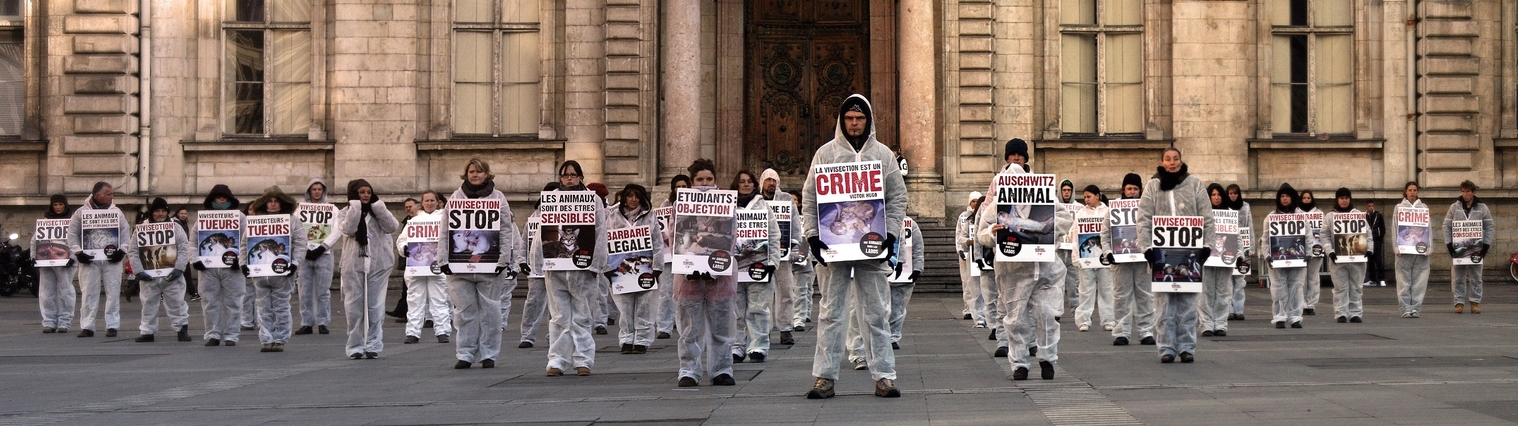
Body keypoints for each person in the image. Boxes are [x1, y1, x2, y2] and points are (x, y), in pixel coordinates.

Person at [803, 94, 908, 398]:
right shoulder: (825, 154)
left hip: (871, 247)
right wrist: (812, 235)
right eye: (849, 118)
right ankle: (824, 377)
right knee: (831, 312)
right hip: (834, 248)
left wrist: (889, 235)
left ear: (868, 120)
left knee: (876, 311)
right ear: (841, 120)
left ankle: (884, 375)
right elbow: (810, 198)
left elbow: (897, 197)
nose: (854, 123)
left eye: (860, 119)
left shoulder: (884, 156)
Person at [976, 138, 1067, 378]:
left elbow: (1064, 218)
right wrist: (991, 234)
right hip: (1012, 269)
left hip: (1045, 267)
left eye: (1020, 156)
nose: (1016, 160)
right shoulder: (998, 203)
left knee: (1047, 314)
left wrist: (1052, 236)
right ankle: (1019, 363)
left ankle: (1047, 357)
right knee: (1015, 317)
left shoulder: (1043, 194)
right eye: (1012, 156)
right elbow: (981, 231)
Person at [1135, 148, 1212, 364]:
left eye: (1176, 159)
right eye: (1168, 159)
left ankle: (1187, 347)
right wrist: (1147, 248)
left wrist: (1207, 246)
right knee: (1164, 305)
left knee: (1188, 304)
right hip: (1162, 257)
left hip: (1189, 255)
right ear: (1161, 162)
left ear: (1181, 161)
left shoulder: (1194, 184)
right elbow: (1143, 218)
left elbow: (1207, 216)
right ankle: (1166, 347)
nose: (1172, 163)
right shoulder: (1152, 186)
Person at [440, 159, 518, 369]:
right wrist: (443, 260)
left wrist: (504, 260)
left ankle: (489, 354)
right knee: (464, 311)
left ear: (487, 174)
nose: (475, 175)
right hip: (459, 266)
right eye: (472, 171)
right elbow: (444, 231)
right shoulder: (455, 198)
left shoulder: (498, 197)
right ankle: (465, 353)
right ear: (466, 174)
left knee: (490, 312)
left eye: (479, 171)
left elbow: (506, 230)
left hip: (490, 266)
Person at [672, 159, 739, 387]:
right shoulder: (679, 207)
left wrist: (718, 263)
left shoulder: (727, 205)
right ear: (692, 182)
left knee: (721, 322)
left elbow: (733, 236)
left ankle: (722, 369)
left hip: (719, 270)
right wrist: (686, 262)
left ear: (715, 181)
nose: (705, 183)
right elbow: (674, 237)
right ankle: (689, 370)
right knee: (689, 324)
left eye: (709, 179)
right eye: (700, 179)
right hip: (689, 273)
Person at [544, 160, 608, 376]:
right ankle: (557, 360)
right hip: (557, 267)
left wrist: (596, 263)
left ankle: (583, 360)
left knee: (582, 315)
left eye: (573, 174)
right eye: (565, 175)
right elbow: (542, 233)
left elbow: (600, 231)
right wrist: (540, 261)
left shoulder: (594, 201)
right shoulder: (551, 199)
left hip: (583, 266)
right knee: (559, 316)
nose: (569, 178)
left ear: (580, 177)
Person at [338, 179, 400, 359]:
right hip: (354, 264)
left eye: (368, 192)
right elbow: (348, 229)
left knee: (375, 306)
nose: (365, 195)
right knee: (354, 307)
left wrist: (379, 208)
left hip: (379, 264)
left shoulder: (380, 211)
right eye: (361, 192)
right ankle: (355, 346)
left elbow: (392, 226)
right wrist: (355, 208)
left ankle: (373, 343)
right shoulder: (345, 213)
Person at [245, 187, 308, 352]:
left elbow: (301, 244)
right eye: (269, 201)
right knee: (263, 307)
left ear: (282, 203)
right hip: (260, 272)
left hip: (282, 272)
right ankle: (266, 339)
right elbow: (245, 244)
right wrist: (243, 264)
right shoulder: (255, 220)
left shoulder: (293, 221)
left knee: (281, 306)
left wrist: (294, 263)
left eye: (276, 201)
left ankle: (280, 338)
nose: (272, 204)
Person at [605, 183, 664, 355]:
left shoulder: (650, 216)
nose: (633, 199)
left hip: (646, 267)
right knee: (625, 307)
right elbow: (604, 242)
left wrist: (658, 267)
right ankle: (626, 339)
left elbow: (658, 243)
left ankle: (642, 340)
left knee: (644, 306)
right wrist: (606, 268)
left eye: (637, 196)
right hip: (619, 269)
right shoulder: (612, 216)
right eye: (630, 195)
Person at [731, 170, 782, 364]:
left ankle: (758, 346)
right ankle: (736, 346)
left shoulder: (763, 207)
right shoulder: (727, 206)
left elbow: (774, 236)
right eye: (742, 181)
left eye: (749, 181)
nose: (745, 185)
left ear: (754, 184)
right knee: (735, 309)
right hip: (734, 267)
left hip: (759, 266)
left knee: (759, 308)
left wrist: (773, 263)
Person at [68, 182, 131, 338]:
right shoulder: (80, 213)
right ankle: (87, 326)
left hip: (111, 259)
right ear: (98, 196)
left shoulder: (117, 212)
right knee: (89, 292)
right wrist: (78, 252)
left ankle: (112, 325)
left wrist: (122, 251)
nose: (112, 197)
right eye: (109, 194)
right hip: (90, 260)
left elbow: (125, 233)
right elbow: (72, 234)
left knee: (113, 292)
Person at [126, 198, 192, 343]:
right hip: (149, 274)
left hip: (171, 274)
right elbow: (133, 251)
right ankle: (147, 331)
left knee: (177, 302)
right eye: (157, 211)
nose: (160, 214)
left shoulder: (176, 227)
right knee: (148, 303)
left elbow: (183, 248)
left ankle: (181, 329)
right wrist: (138, 271)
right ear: (152, 212)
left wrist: (179, 268)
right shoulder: (141, 229)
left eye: (163, 211)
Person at [191, 184, 246, 345]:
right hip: (208, 267)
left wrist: (240, 260)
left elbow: (247, 240)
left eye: (225, 197)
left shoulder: (240, 218)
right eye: (218, 197)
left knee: (234, 301)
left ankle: (231, 335)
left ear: (230, 199)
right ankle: (213, 334)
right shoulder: (203, 218)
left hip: (232, 267)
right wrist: (195, 260)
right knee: (209, 301)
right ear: (212, 199)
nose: (221, 199)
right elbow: (193, 242)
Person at [1106, 173, 1156, 347]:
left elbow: (1153, 230)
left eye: (1135, 189)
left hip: (1143, 259)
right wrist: (1108, 252)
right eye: (1129, 188)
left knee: (1145, 296)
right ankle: (1121, 332)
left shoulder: (1148, 210)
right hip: (1121, 261)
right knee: (1121, 296)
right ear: (1123, 189)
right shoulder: (1113, 209)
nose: (1132, 192)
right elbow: (1105, 233)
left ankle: (1146, 331)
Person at [397, 190, 452, 344]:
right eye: (426, 201)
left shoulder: (444, 220)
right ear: (422, 203)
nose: (429, 203)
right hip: (417, 267)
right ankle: (413, 332)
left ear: (437, 202)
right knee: (415, 300)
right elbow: (401, 241)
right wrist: (405, 248)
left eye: (432, 200)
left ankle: (442, 331)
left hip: (436, 267)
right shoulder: (413, 221)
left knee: (440, 299)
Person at [296, 179, 340, 335]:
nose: (316, 192)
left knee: (323, 290)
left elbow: (337, 230)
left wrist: (322, 247)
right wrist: (304, 248)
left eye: (319, 189)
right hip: (304, 254)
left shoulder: (332, 209)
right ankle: (306, 322)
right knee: (304, 290)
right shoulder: (299, 210)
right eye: (313, 189)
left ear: (323, 191)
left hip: (324, 254)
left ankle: (323, 322)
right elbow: (296, 229)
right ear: (309, 191)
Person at [759, 168, 798, 345]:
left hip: (783, 253)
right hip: (761, 253)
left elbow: (795, 223)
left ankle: (785, 328)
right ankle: (762, 329)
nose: (771, 183)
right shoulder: (756, 201)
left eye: (774, 180)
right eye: (768, 180)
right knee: (762, 294)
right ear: (762, 182)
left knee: (786, 292)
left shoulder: (786, 200)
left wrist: (795, 244)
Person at [1443, 180, 1493, 314]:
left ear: (1473, 192)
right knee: (1458, 276)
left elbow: (1489, 227)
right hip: (1459, 247)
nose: (1465, 194)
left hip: (1476, 247)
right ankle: (1459, 302)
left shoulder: (1482, 208)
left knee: (1476, 276)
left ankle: (1475, 302)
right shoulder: (1454, 207)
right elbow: (1446, 226)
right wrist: (1449, 245)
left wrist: (1485, 247)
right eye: (1463, 191)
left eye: (1468, 192)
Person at [519, 182, 558, 348]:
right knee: (533, 303)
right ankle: (527, 336)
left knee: (556, 304)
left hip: (556, 265)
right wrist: (521, 260)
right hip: (536, 267)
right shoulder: (534, 218)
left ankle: (554, 335)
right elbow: (524, 240)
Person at [1324, 188, 1370, 323]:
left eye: (1346, 198)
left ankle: (1356, 312)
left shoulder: (1358, 215)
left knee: (1356, 286)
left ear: (1350, 199)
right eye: (1341, 198)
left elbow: (1368, 234)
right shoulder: (1330, 216)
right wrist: (1330, 251)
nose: (1344, 201)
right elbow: (1324, 236)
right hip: (1338, 258)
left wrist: (1369, 249)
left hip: (1357, 257)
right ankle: (1341, 313)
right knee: (1340, 287)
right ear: (1337, 200)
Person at [1265, 183, 1307, 328]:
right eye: (1282, 196)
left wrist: (1308, 253)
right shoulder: (1271, 217)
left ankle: (1295, 317)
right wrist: (1267, 255)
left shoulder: (1301, 216)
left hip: (1297, 257)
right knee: (1278, 287)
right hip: (1278, 258)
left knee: (1296, 286)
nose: (1284, 199)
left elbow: (1308, 236)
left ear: (1293, 198)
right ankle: (1279, 316)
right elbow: (1265, 239)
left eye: (1287, 196)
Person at [1073, 186, 1114, 333]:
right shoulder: (1081, 213)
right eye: (1084, 197)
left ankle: (1109, 320)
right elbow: (1075, 236)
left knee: (1107, 290)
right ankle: (1083, 320)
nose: (1086, 200)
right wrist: (1076, 256)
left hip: (1104, 258)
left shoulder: (1108, 211)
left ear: (1098, 196)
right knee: (1085, 290)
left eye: (1089, 196)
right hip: (1087, 259)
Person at [655, 176, 690, 340]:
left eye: (684, 186)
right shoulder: (665, 206)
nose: (681, 189)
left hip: (688, 254)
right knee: (665, 290)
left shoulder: (694, 204)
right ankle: (664, 326)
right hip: (669, 254)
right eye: (678, 186)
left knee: (685, 291)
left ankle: (682, 323)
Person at [36, 194, 77, 334]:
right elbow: (35, 240)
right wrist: (33, 256)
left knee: (65, 290)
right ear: (51, 206)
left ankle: (64, 321)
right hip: (46, 261)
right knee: (46, 292)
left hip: (65, 262)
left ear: (65, 205)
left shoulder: (72, 221)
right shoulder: (45, 221)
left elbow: (77, 240)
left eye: (60, 204)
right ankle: (49, 321)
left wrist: (72, 257)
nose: (58, 207)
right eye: (55, 204)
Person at [1199, 184, 1232, 337]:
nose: (1216, 197)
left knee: (1223, 292)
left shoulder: (1230, 214)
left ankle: (1220, 323)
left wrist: (1238, 256)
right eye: (1213, 195)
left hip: (1224, 259)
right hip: (1206, 258)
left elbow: (1236, 238)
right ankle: (1206, 323)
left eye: (1219, 195)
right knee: (1206, 292)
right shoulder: (1201, 214)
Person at [1393, 182, 1429, 318]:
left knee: (1419, 281)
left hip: (1420, 250)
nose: (1412, 192)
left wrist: (1429, 246)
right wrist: (1396, 246)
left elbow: (1428, 229)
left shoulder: (1424, 208)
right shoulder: (1399, 208)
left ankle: (1415, 308)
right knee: (1403, 281)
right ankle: (1405, 308)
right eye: (1410, 190)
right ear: (1405, 191)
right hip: (1404, 250)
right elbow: (1395, 228)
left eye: (1415, 190)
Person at [387, 197, 421, 321]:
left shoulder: (418, 221)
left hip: (420, 260)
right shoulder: (407, 221)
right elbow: (402, 241)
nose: (408, 209)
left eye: (410, 206)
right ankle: (402, 311)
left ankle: (405, 313)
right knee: (407, 288)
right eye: (406, 207)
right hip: (408, 259)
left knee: (411, 289)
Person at [956, 191, 986, 325]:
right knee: (972, 286)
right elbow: (960, 237)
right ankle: (976, 316)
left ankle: (988, 317)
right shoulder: (968, 219)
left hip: (988, 258)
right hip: (972, 257)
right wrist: (967, 243)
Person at [788, 189, 815, 330]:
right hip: (787, 257)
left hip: (804, 257)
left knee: (802, 290)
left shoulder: (805, 217)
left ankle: (800, 318)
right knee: (788, 292)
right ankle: (789, 317)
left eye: (795, 200)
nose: (792, 203)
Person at [1224, 184, 1253, 319]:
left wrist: (1251, 247)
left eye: (1235, 193)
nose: (1233, 196)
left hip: (1243, 246)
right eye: (1230, 193)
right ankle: (1229, 309)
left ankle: (1239, 309)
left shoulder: (1245, 207)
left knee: (1240, 280)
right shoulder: (1224, 207)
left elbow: (1250, 225)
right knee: (1228, 279)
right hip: (1228, 245)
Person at [1298, 190, 1325, 316]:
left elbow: (1324, 231)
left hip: (1316, 249)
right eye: (1304, 198)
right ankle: (1302, 302)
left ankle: (1311, 303)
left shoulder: (1319, 213)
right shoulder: (1296, 213)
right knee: (1301, 277)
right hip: (1301, 250)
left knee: (1313, 277)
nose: (1306, 200)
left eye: (1308, 198)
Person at [1056, 180, 1080, 316]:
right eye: (1064, 190)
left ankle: (1076, 309)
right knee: (1057, 283)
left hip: (1072, 250)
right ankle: (1057, 311)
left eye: (1068, 190)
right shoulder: (1055, 206)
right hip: (1059, 249)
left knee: (1074, 282)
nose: (1066, 192)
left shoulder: (1079, 207)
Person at [173, 207, 201, 302]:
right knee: (186, 273)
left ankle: (192, 292)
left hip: (184, 250)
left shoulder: (183, 223)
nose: (184, 215)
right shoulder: (176, 224)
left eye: (185, 213)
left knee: (186, 273)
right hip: (178, 252)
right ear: (177, 214)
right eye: (182, 213)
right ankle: (193, 293)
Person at [1365, 201, 1387, 287]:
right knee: (1370, 260)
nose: (1371, 208)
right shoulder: (1364, 216)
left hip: (1376, 239)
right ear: (1366, 207)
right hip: (1368, 240)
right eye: (1369, 206)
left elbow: (1382, 228)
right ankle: (1372, 279)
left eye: (1372, 206)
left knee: (1378, 259)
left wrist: (1380, 237)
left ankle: (1381, 278)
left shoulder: (1378, 215)